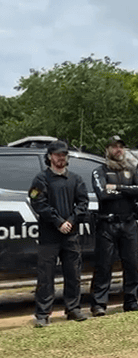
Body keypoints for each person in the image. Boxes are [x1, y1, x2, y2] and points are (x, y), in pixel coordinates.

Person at [29, 140, 89, 327]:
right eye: (57, 155)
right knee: (45, 276)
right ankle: (43, 314)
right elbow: (38, 203)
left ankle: (73, 308)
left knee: (73, 273)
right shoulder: (41, 179)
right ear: (49, 157)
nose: (60, 158)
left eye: (63, 155)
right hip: (49, 235)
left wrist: (71, 221)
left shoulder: (75, 179)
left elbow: (83, 203)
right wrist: (58, 221)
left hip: (70, 234)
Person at [90, 135, 138, 316]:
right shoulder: (100, 171)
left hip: (129, 223)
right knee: (103, 265)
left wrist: (118, 188)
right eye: (114, 147)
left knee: (131, 263)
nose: (118, 150)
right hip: (107, 224)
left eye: (120, 146)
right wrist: (127, 191)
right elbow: (103, 194)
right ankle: (99, 304)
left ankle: (131, 301)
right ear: (107, 149)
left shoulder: (132, 169)